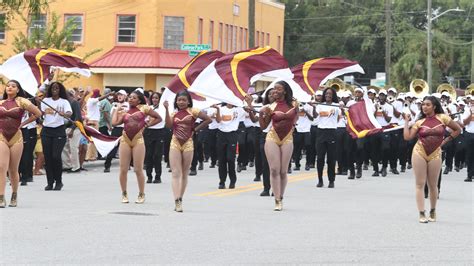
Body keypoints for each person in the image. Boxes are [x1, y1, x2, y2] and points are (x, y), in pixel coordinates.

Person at [403, 96, 461, 223]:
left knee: (433, 185)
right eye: (423, 104)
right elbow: (407, 137)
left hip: (435, 153)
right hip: (419, 152)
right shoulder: (419, 122)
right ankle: (421, 213)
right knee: (419, 183)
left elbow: (458, 129)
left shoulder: (443, 118)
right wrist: (406, 122)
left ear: (434, 106)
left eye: (428, 104)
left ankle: (433, 210)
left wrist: (445, 141)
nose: (424, 107)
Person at [163, 90, 211, 212]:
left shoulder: (193, 111)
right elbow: (168, 125)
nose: (181, 102)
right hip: (175, 143)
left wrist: (195, 130)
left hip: (188, 144)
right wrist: (167, 109)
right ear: (176, 101)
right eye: (179, 100)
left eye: (184, 100)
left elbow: (208, 120)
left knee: (184, 173)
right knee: (175, 172)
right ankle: (176, 200)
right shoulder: (174, 113)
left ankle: (180, 198)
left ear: (189, 101)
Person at [112, 90, 162, 204]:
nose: (130, 99)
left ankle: (141, 193)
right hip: (125, 140)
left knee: (138, 169)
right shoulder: (125, 110)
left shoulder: (144, 108)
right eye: (129, 97)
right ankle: (124, 193)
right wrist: (116, 109)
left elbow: (159, 118)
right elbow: (114, 123)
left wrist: (148, 124)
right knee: (123, 169)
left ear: (139, 100)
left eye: (134, 97)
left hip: (138, 140)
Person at [0, 80, 41, 207]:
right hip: (2, 136)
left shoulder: (22, 101)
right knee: (1, 167)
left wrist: (23, 124)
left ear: (18, 89)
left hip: (16, 137)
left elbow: (38, 113)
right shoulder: (1, 102)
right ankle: (1, 197)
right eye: (8, 86)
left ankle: (14, 195)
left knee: (13, 170)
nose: (10, 88)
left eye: (13, 86)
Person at [259, 81, 297, 211]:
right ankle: (277, 200)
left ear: (285, 91)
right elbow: (263, 126)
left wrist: (293, 126)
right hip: (272, 137)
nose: (275, 91)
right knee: (274, 169)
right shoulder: (270, 107)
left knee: (283, 171)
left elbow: (295, 119)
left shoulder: (294, 104)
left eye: (278, 89)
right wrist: (261, 114)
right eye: (274, 89)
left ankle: (281, 196)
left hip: (287, 138)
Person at [41, 82, 73, 191]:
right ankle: (50, 182)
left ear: (60, 90)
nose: (55, 89)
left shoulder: (64, 102)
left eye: (57, 88)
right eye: (53, 88)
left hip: (59, 131)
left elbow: (69, 112)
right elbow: (41, 114)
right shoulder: (45, 101)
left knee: (55, 156)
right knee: (48, 157)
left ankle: (58, 181)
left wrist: (65, 114)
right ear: (50, 89)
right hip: (46, 130)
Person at [313, 87, 340, 188]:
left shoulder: (336, 106)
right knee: (320, 158)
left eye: (330, 94)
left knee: (331, 159)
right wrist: (314, 107)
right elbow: (315, 116)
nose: (328, 95)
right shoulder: (320, 105)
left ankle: (331, 180)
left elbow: (339, 115)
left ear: (333, 95)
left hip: (332, 132)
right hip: (321, 132)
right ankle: (320, 180)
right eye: (326, 94)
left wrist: (341, 107)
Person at [144, 92, 166, 183]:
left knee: (157, 155)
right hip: (149, 133)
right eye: (153, 98)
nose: (154, 100)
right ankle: (149, 176)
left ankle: (158, 176)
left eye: (156, 98)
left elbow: (160, 119)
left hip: (159, 132)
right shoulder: (149, 108)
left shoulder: (162, 108)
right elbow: (145, 118)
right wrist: (146, 122)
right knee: (148, 155)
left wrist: (149, 124)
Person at [462, 97, 474, 182]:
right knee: (469, 155)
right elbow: (465, 122)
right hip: (469, 134)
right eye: (471, 102)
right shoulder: (467, 110)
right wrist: (471, 114)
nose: (472, 103)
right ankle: (469, 175)